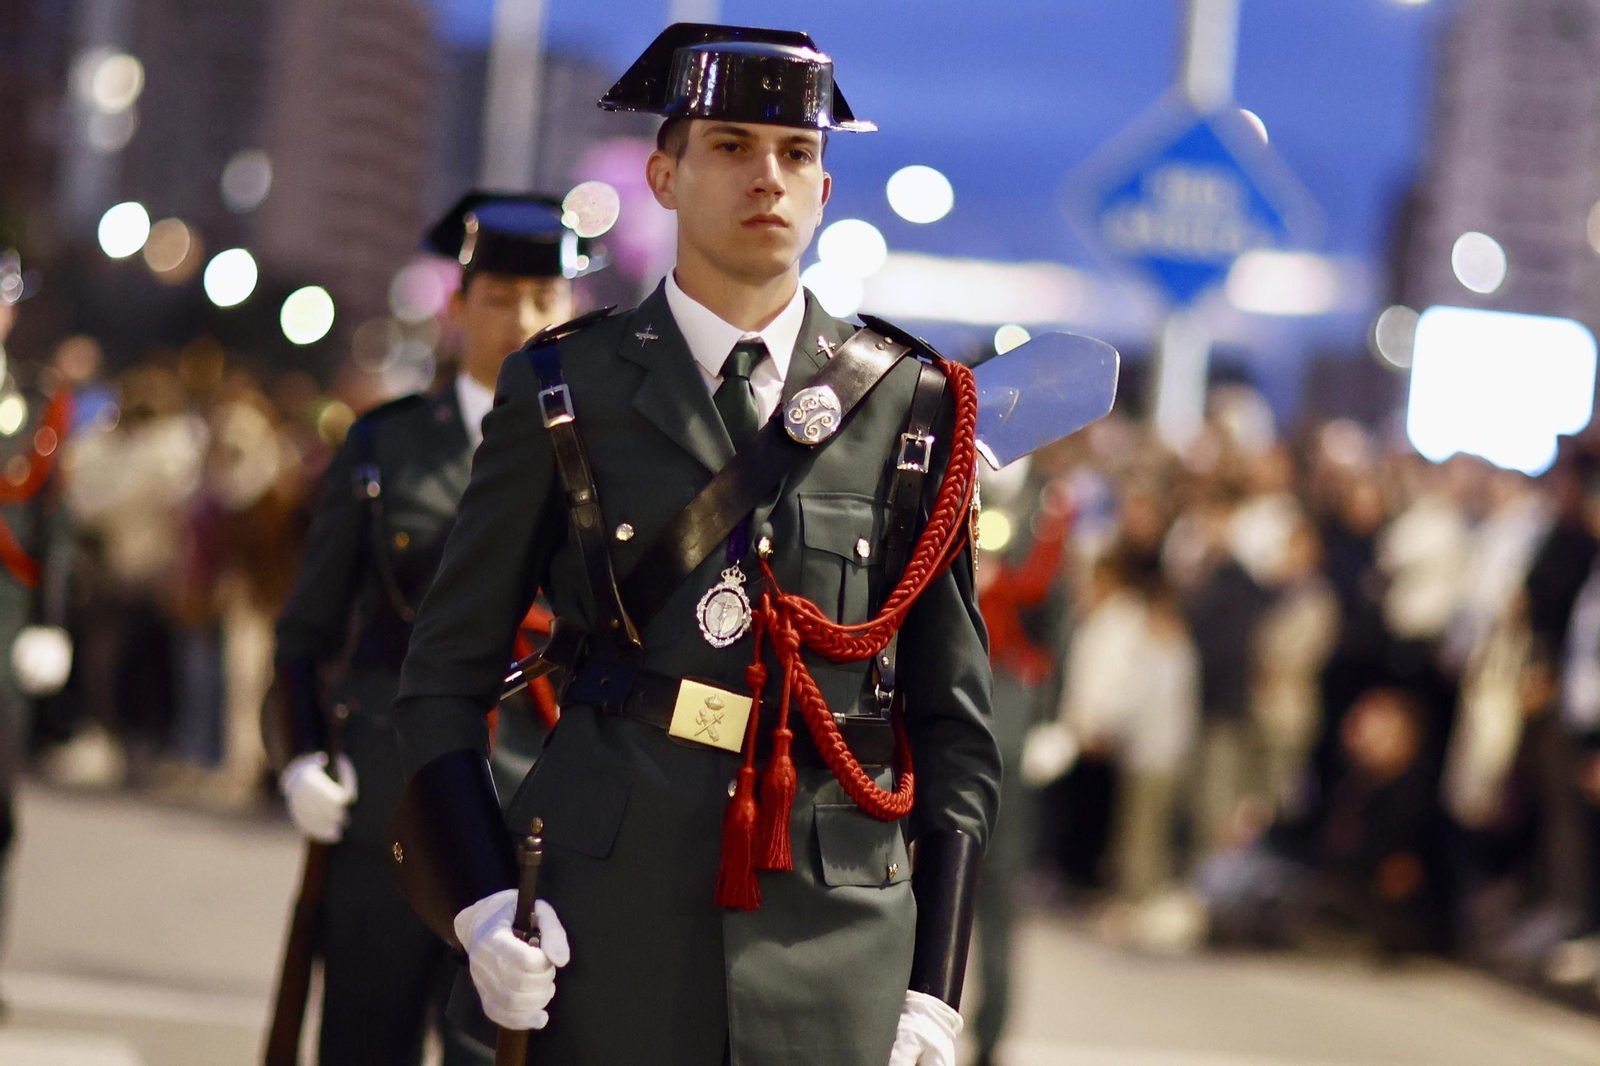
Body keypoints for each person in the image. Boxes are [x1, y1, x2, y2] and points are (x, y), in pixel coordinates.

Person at [386, 24, 1000, 1066]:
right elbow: (442, 677)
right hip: (599, 913)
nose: (768, 175)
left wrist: (932, 991)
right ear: (662, 176)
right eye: (730, 145)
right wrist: (483, 902)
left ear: (825, 190)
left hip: (833, 938)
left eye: (795, 154)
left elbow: (953, 733)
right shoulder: (562, 390)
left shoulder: (912, 403)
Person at [268, 192, 599, 1065]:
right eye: (500, 298)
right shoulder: (389, 444)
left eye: (544, 300)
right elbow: (307, 628)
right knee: (363, 1039)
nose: (524, 319)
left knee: (490, 1049)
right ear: (458, 306)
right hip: (391, 792)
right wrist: (300, 749)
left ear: (571, 309)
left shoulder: (598, 456)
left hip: (527, 807)